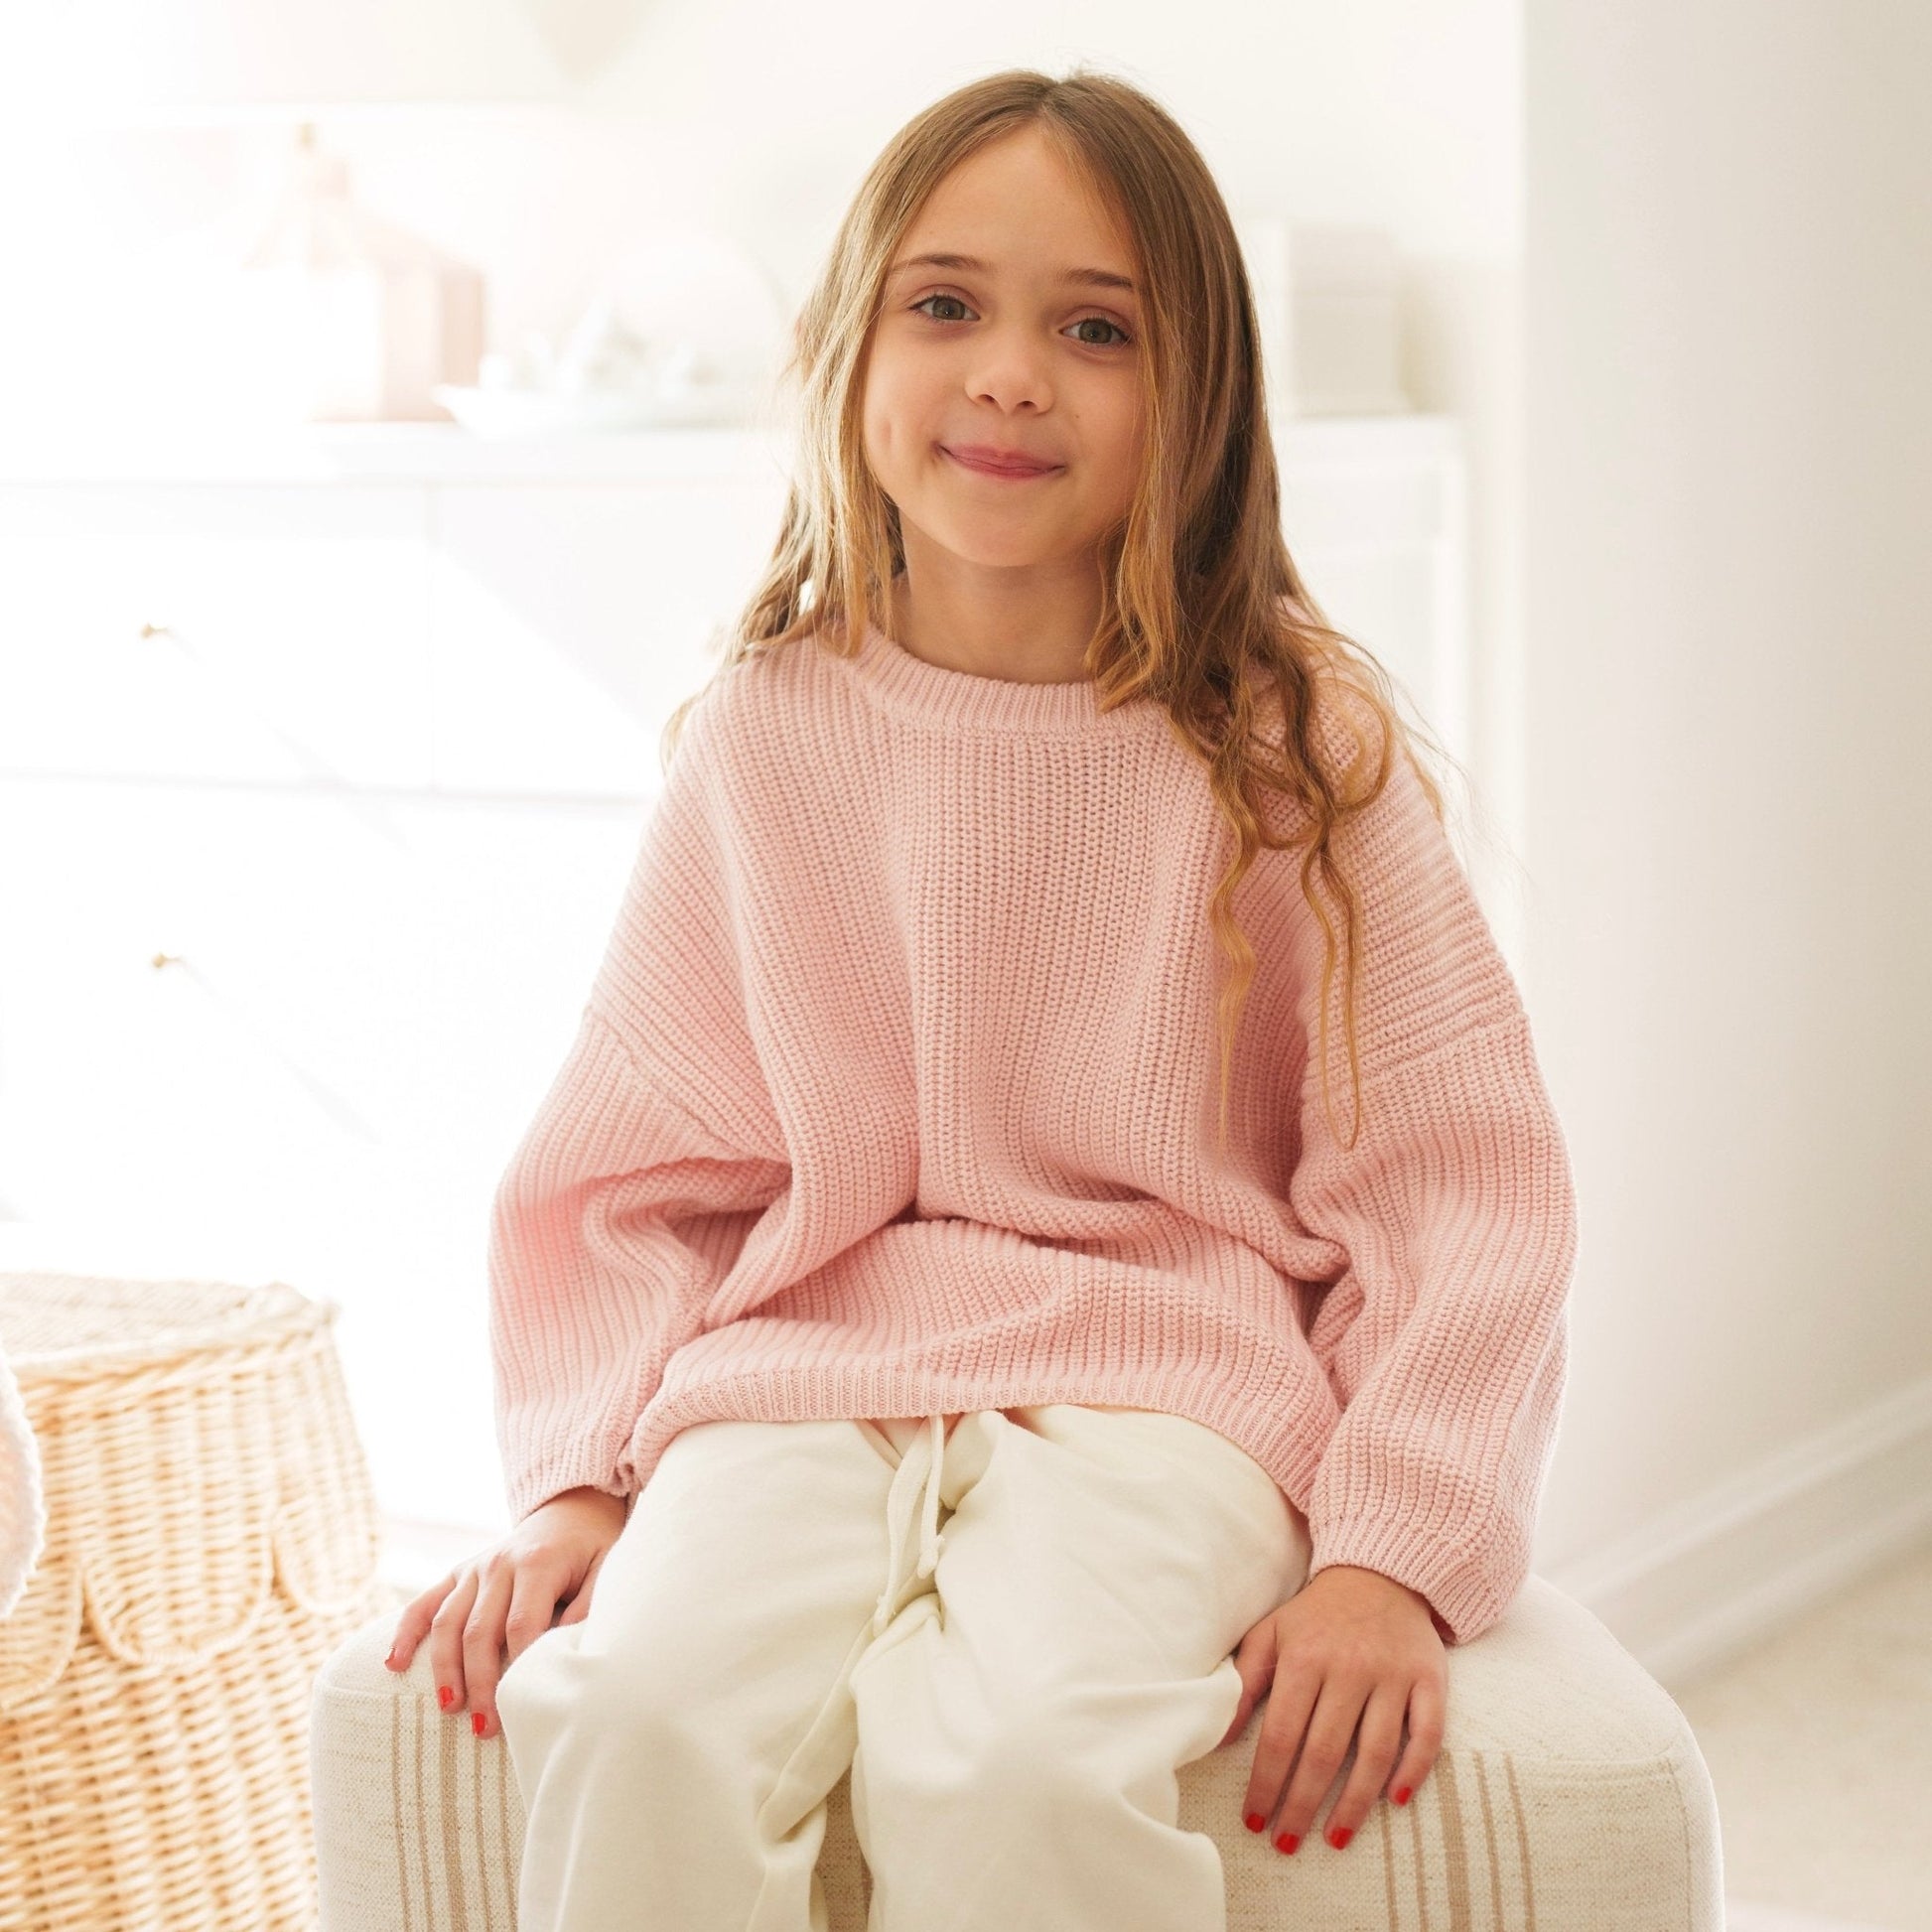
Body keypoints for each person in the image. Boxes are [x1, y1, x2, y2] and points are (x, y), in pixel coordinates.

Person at [383, 65, 1578, 1932]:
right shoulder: (766, 735)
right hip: (796, 1378)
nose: (1011, 374)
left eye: (1096, 328)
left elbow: (1455, 1183)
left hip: (1175, 1386)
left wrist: (1393, 1552)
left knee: (1010, 1765)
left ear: (1196, 393)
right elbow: (629, 1171)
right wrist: (576, 1479)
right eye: (945, 303)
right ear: (846, 350)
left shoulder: (1291, 750)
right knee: (637, 1718)